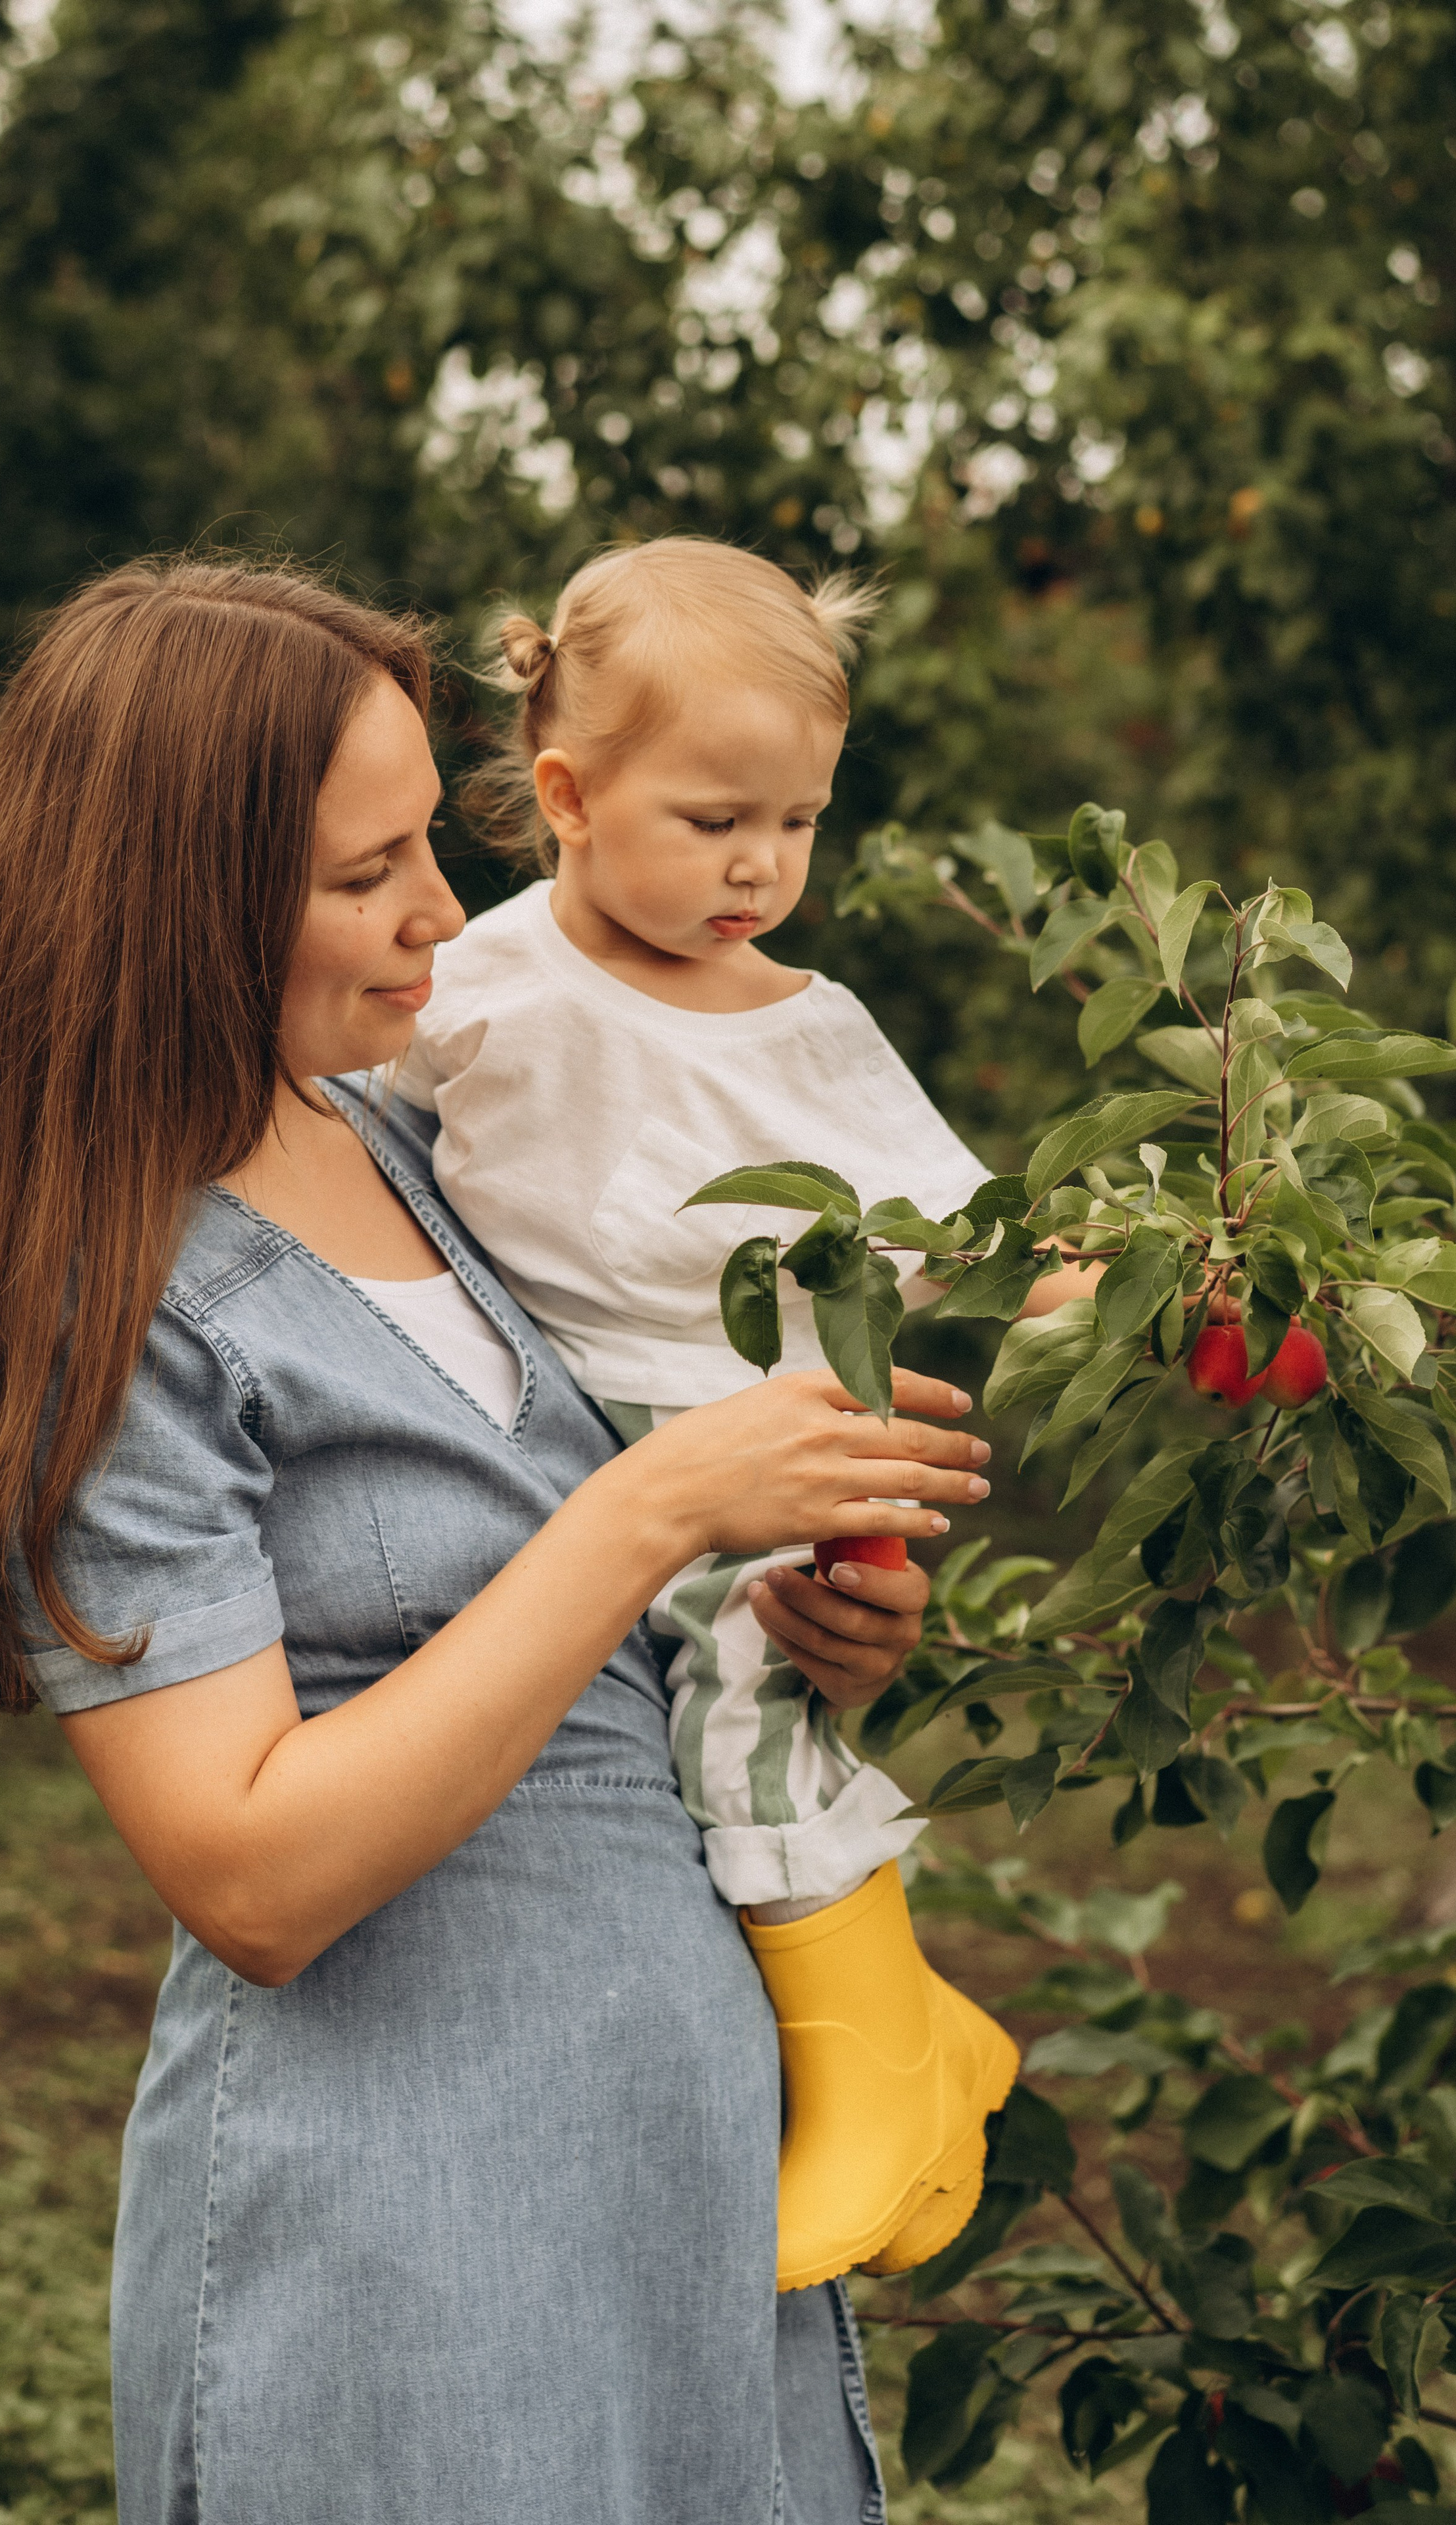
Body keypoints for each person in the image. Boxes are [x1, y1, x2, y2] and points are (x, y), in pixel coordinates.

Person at [0, 558, 995, 2525]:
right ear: (175, 898)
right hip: (412, 2234)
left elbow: (596, 1617)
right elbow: (249, 1873)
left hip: (670, 2181)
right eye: (363, 872)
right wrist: (654, 1505)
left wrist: (808, 1590)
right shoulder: (116, 1304)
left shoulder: (413, 1143)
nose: (443, 915)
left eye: (428, 845)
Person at [395, 537, 1089, 2290]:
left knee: (748, 1714)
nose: (763, 866)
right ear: (566, 791)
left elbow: (952, 1232)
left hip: (762, 1431)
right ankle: (914, 2034)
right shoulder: (483, 991)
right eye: (716, 821)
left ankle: (873, 2067)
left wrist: (1102, 1280)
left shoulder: (810, 1027)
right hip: (577, 1437)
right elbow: (343, 1134)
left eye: (798, 822)